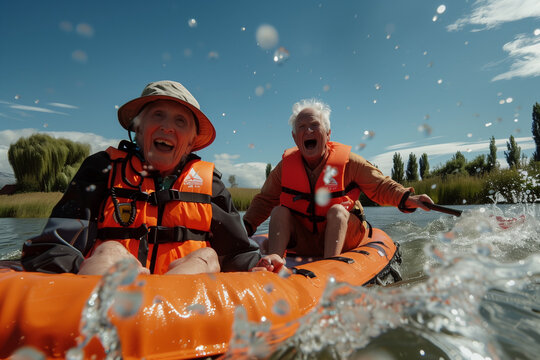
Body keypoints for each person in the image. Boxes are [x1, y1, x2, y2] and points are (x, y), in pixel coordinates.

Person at [21, 80, 284, 275]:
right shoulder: (101, 169)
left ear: (192, 141)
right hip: (111, 287)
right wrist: (87, 267)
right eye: (157, 115)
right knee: (111, 250)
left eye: (180, 121)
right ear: (138, 127)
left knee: (206, 256)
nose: (168, 126)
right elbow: (55, 246)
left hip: (185, 293)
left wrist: (256, 265)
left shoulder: (210, 185)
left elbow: (235, 253)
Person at [243, 99, 434, 259]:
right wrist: (244, 227)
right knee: (278, 211)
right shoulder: (285, 167)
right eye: (302, 127)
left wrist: (408, 198)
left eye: (314, 125)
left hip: (344, 235)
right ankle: (274, 263)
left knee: (337, 211)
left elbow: (380, 185)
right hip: (304, 240)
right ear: (295, 137)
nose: (308, 131)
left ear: (328, 134)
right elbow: (265, 200)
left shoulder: (350, 162)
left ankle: (330, 265)